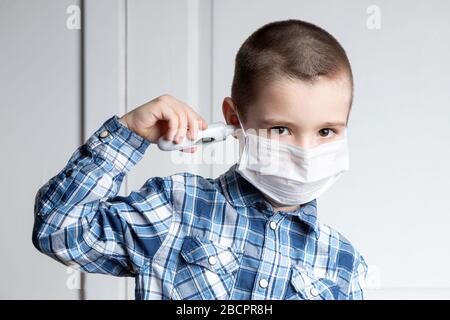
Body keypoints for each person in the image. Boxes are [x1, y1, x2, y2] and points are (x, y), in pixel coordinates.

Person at [33, 19, 368, 300]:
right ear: (234, 119)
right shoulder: (176, 207)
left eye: (326, 131)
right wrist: (129, 133)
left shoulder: (343, 263)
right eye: (281, 129)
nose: (305, 151)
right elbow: (60, 231)